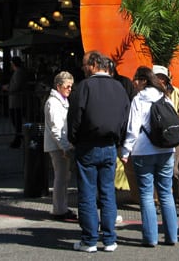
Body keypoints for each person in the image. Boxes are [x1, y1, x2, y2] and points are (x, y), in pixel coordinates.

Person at [67, 51, 130, 253]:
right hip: (110, 146)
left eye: (85, 64)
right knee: (108, 193)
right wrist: (119, 141)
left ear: (94, 65)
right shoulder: (119, 87)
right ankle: (110, 239)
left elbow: (74, 118)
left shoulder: (84, 87)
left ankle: (90, 240)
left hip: (87, 146)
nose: (83, 68)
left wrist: (74, 139)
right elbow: (125, 117)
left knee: (87, 194)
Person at [121, 66, 178, 247]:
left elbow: (133, 129)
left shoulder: (138, 100)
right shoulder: (165, 97)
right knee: (166, 194)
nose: (134, 82)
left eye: (136, 79)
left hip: (143, 151)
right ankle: (172, 236)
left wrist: (125, 151)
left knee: (146, 195)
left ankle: (151, 238)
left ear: (144, 81)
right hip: (166, 151)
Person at [153, 64, 179, 216]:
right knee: (157, 171)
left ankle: (177, 202)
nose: (160, 81)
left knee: (176, 171)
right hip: (155, 139)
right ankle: (159, 202)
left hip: (173, 139)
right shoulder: (149, 95)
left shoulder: (178, 94)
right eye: (157, 77)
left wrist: (178, 132)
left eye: (162, 78)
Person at [44, 71, 76, 220]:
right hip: (58, 146)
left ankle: (61, 207)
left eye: (71, 86)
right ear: (58, 86)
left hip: (61, 144)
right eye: (67, 86)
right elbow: (56, 128)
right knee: (61, 177)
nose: (70, 89)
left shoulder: (61, 100)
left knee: (63, 177)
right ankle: (59, 209)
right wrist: (64, 146)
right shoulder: (53, 102)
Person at [4, 56, 30, 149]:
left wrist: (8, 88)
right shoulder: (18, 72)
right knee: (16, 121)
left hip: (17, 100)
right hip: (16, 100)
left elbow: (16, 86)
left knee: (16, 120)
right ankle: (18, 137)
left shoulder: (19, 72)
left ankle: (18, 138)